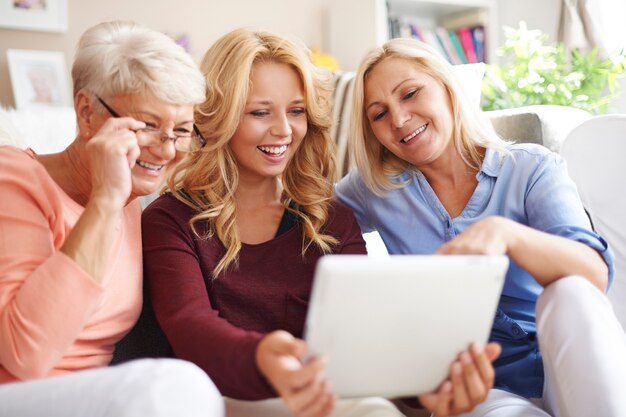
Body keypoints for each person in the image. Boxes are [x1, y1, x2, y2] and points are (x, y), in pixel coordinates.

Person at [142, 28, 498, 417]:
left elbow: (363, 340)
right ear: (219, 116)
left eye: (295, 111)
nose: (283, 130)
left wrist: (424, 391)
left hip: (326, 400)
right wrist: (266, 359)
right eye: (260, 112)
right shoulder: (169, 220)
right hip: (217, 401)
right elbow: (189, 325)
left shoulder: (330, 218)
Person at [335, 37, 626, 417]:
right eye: (379, 114)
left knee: (570, 291)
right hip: (480, 386)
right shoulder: (373, 189)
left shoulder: (530, 168)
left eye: (410, 94)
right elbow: (301, 218)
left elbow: (593, 275)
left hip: (567, 364)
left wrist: (508, 235)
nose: (399, 120)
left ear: (445, 87)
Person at [0, 21, 223, 417]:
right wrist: (104, 201)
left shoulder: (136, 200)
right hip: (17, 394)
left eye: (183, 131)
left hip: (98, 400)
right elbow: (26, 354)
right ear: (87, 112)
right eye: (148, 126)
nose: (167, 150)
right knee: (174, 386)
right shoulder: (13, 177)